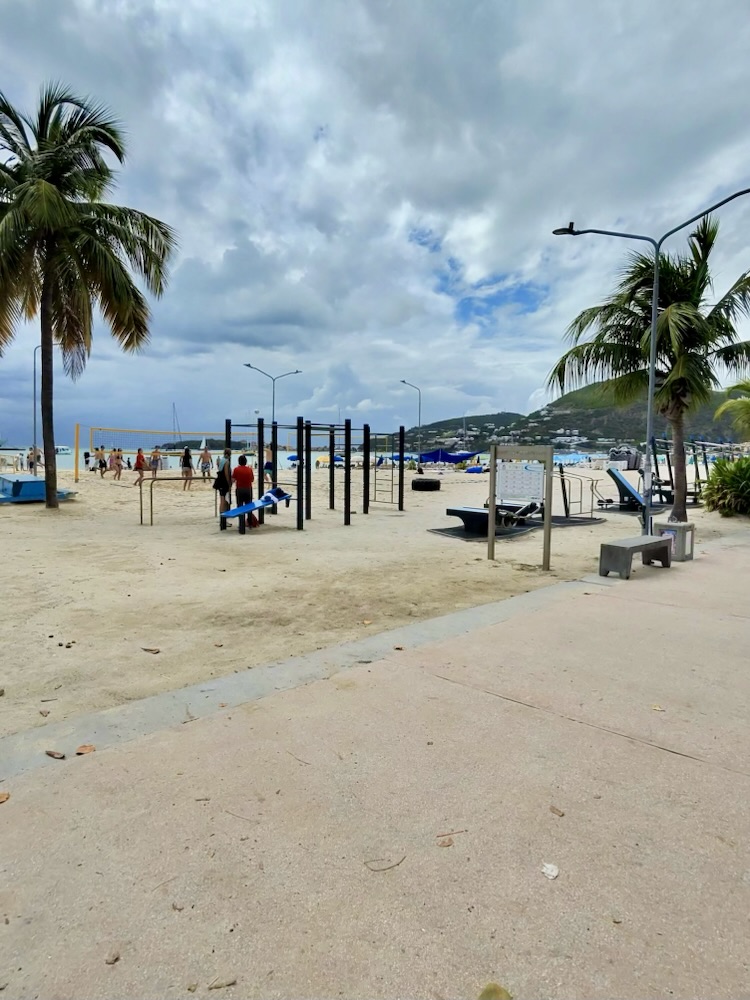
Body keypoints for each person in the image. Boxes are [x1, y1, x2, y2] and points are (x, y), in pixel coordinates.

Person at [232, 454, 255, 527]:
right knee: (249, 506)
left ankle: (241, 523)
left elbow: (233, 479)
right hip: (248, 489)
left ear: (239, 462)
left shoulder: (236, 469)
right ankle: (250, 523)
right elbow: (252, 480)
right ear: (245, 461)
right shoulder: (249, 469)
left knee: (240, 506)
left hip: (240, 489)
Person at [214, 448, 232, 514]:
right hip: (223, 483)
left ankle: (222, 516)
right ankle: (223, 518)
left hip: (219, 482)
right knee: (223, 501)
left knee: (222, 499)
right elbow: (226, 473)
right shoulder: (226, 462)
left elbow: (219, 469)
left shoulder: (221, 460)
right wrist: (229, 483)